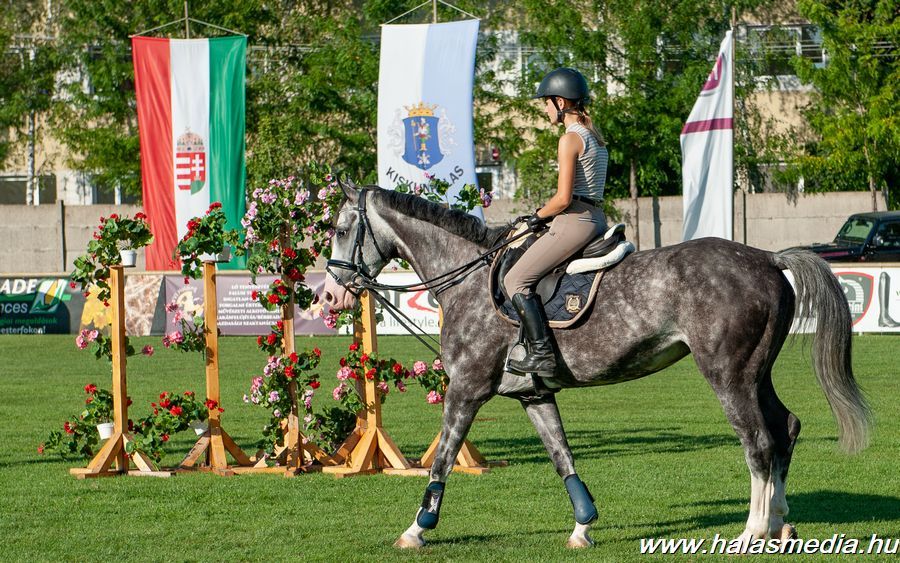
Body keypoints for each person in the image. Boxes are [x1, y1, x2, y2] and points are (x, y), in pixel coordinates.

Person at [504, 67, 609, 377]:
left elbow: (563, 199)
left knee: (515, 280)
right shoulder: (594, 136)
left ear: (561, 103)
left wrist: (535, 216)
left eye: (546, 102)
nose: (544, 108)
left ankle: (541, 353)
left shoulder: (570, 139)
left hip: (574, 220)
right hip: (596, 218)